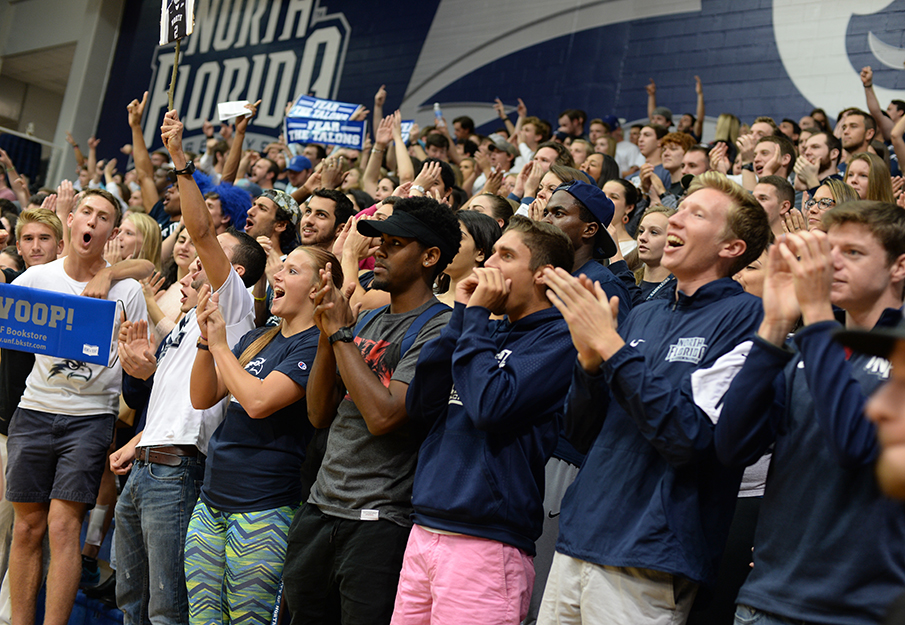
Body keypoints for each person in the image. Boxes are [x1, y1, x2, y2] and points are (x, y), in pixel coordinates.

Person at [538, 171, 770, 625]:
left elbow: (689, 438)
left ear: (732, 248)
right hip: (580, 537)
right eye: (678, 210)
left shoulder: (748, 319)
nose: (676, 221)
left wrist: (611, 348)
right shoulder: (642, 314)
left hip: (651, 553)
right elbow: (580, 433)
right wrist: (588, 365)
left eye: (696, 214)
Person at [111, 108, 266, 625]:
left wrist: (180, 159)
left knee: (166, 612)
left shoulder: (235, 304)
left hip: (179, 471)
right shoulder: (186, 313)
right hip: (146, 464)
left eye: (214, 256)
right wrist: (140, 375)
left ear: (237, 272)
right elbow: (172, 392)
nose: (198, 260)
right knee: (130, 603)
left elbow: (200, 230)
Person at [716, 200, 905, 624]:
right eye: (828, 251)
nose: (831, 264)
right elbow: (732, 446)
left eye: (853, 253)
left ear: (899, 267)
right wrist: (773, 328)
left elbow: (855, 447)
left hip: (858, 610)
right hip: (766, 598)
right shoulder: (808, 344)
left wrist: (816, 313)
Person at [281, 197, 461, 624]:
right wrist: (328, 332)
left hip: (379, 521)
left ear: (430, 257)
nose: (377, 251)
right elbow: (319, 414)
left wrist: (341, 334)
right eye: (378, 242)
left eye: (394, 244)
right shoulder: (367, 321)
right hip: (320, 509)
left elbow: (385, 417)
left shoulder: (442, 327)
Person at [391, 216, 576, 624]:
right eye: (491, 252)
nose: (488, 264)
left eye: (506, 255)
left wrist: (474, 320)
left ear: (543, 275)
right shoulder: (484, 331)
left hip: (488, 544)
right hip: (426, 529)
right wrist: (460, 318)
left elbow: (491, 406)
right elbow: (421, 407)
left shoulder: (560, 340)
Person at [7, 189, 149, 625]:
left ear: (110, 232)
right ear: (70, 219)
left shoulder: (128, 289)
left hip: (90, 419)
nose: (92, 220)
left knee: (64, 528)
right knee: (27, 528)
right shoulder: (34, 280)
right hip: (33, 410)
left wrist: (138, 363)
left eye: (103, 216)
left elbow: (142, 367)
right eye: (85, 211)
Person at [184, 246, 337, 625]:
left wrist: (220, 345)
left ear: (319, 289)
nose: (277, 276)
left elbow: (257, 402)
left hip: (264, 507)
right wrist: (206, 342)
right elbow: (202, 397)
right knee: (202, 620)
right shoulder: (259, 337)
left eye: (293, 271)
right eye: (279, 268)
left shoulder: (314, 344)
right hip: (211, 501)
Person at [540, 180, 632, 325]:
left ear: (589, 230)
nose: (545, 220)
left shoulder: (603, 285)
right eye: (546, 213)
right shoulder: (542, 277)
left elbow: (614, 345)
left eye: (558, 213)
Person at [435, 210, 501, 307]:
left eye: (458, 237)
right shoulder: (424, 301)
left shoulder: (488, 311)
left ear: (480, 253)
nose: (445, 242)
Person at [633, 205, 677, 301]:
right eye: (641, 231)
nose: (642, 238)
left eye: (654, 232)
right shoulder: (633, 280)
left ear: (673, 241)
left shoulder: (676, 291)